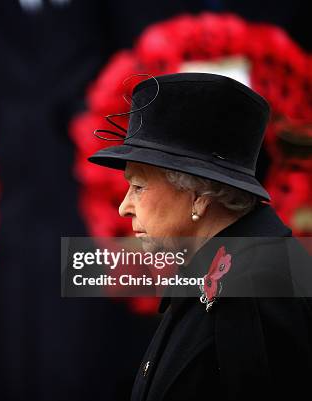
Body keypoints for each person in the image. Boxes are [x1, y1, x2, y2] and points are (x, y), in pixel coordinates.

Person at [88, 72, 312, 401]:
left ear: (199, 196)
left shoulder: (253, 291)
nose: (124, 207)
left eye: (138, 186)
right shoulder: (223, 270)